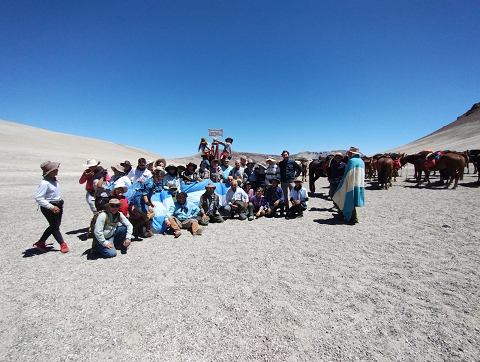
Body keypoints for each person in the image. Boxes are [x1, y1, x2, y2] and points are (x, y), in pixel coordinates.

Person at [34, 161, 69, 253]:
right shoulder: (44, 183)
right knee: (55, 226)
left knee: (55, 225)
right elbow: (38, 197)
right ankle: (63, 244)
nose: (57, 171)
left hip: (57, 205)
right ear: (49, 172)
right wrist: (51, 207)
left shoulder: (53, 180)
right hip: (50, 207)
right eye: (55, 170)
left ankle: (41, 242)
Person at [332, 147, 365, 224]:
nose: (348, 154)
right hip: (359, 184)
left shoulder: (352, 161)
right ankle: (348, 216)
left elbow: (348, 173)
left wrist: (343, 183)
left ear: (352, 154)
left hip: (350, 183)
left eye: (349, 153)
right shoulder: (361, 161)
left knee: (342, 196)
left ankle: (348, 216)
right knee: (351, 200)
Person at [130, 167, 165, 238]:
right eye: (158, 179)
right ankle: (133, 230)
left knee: (150, 214)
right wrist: (148, 205)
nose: (159, 181)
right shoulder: (150, 183)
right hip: (139, 200)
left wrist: (151, 202)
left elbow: (149, 195)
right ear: (155, 176)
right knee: (147, 215)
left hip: (143, 200)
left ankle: (144, 231)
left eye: (160, 180)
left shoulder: (153, 181)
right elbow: (144, 195)